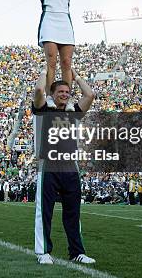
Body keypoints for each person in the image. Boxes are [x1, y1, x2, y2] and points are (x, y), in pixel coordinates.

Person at [32, 66, 96, 265]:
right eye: (60, 91)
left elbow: (90, 94)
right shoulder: (43, 110)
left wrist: (74, 75)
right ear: (53, 94)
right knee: (45, 212)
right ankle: (43, 252)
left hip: (70, 167)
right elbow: (38, 92)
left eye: (67, 92)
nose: (64, 95)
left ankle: (77, 251)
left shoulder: (73, 112)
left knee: (73, 212)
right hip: (48, 166)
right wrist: (45, 72)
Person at [16, 0, 87, 111]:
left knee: (67, 62)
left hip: (65, 22)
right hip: (49, 22)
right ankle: (49, 96)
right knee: (51, 62)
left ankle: (68, 99)